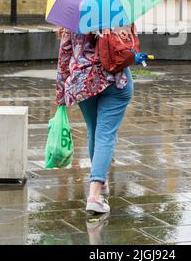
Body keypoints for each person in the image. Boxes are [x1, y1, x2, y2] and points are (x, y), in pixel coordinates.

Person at [56, 28, 134, 214]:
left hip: (83, 82)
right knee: (105, 135)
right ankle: (94, 195)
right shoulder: (116, 14)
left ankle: (100, 180)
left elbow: (64, 58)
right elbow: (129, 47)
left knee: (94, 130)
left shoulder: (72, 19)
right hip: (115, 80)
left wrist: (60, 94)